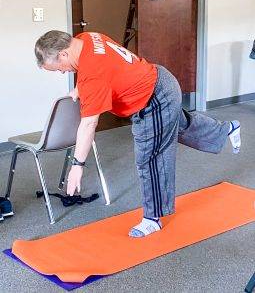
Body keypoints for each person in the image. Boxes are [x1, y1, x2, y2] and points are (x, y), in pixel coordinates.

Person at [34, 30, 241, 238]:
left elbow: (88, 124)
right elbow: (99, 64)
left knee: (150, 157)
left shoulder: (92, 75)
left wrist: (77, 166)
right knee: (176, 126)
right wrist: (79, 89)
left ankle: (153, 218)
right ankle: (226, 129)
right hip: (160, 80)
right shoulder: (86, 38)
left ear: (63, 54)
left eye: (58, 68)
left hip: (154, 100)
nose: (61, 73)